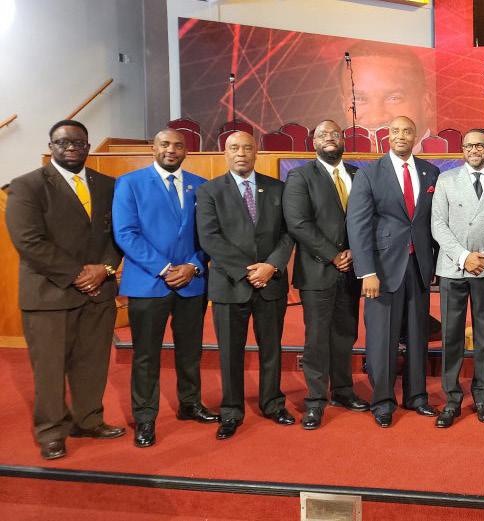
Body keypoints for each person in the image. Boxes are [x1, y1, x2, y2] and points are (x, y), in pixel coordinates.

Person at [5, 120, 125, 459]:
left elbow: (119, 234)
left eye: (78, 142)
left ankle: (89, 420)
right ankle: (51, 432)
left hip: (98, 291)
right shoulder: (27, 186)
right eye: (62, 142)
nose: (70, 147)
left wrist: (104, 269)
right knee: (50, 369)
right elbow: (29, 241)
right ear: (51, 147)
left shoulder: (108, 185)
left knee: (92, 363)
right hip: (50, 294)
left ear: (87, 146)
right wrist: (77, 274)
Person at [113, 129, 218, 448]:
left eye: (178, 145)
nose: (171, 150)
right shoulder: (130, 183)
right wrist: (164, 268)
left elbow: (208, 235)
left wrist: (193, 265)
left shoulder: (201, 185)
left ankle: (190, 403)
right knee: (146, 355)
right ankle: (145, 417)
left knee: (191, 350)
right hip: (149, 282)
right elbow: (126, 233)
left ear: (186, 151)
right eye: (165, 144)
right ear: (154, 148)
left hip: (191, 281)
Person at [196, 131, 295, 440]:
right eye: (234, 148)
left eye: (247, 148)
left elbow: (289, 233)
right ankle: (231, 411)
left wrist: (270, 266)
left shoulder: (278, 188)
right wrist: (247, 271)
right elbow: (209, 238)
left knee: (272, 349)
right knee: (230, 352)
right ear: (225, 153)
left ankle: (272, 403)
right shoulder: (209, 191)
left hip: (271, 282)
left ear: (256, 152)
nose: (241, 153)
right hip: (229, 284)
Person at [347, 115, 441, 428]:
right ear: (387, 136)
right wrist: (366, 272)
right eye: (396, 131)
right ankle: (383, 401)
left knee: (417, 335)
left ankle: (416, 396)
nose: (401, 135)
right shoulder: (370, 173)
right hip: (382, 270)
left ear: (415, 136)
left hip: (419, 266)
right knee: (382, 338)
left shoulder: (430, 171)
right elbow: (358, 225)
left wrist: (435, 262)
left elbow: (433, 221)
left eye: (407, 131)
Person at [283, 120, 370, 430]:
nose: (329, 138)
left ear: (343, 140)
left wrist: (354, 253)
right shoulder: (300, 176)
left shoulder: (359, 174)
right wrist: (334, 255)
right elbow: (298, 223)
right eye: (322, 134)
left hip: (352, 269)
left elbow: (367, 218)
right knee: (317, 339)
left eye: (335, 134)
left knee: (345, 334)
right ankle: (315, 401)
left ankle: (343, 391)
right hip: (318, 270)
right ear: (314, 142)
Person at [430, 128, 484, 428]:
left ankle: (482, 396)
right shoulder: (446, 179)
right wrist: (463, 256)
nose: (474, 150)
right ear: (462, 149)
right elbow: (438, 224)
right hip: (453, 267)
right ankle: (452, 399)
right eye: (469, 146)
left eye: (480, 145)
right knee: (451, 336)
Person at [338, 42, 434, 145]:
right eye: (359, 99)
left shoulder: (442, 153)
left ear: (426, 104)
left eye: (394, 98)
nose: (376, 119)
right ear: (344, 105)